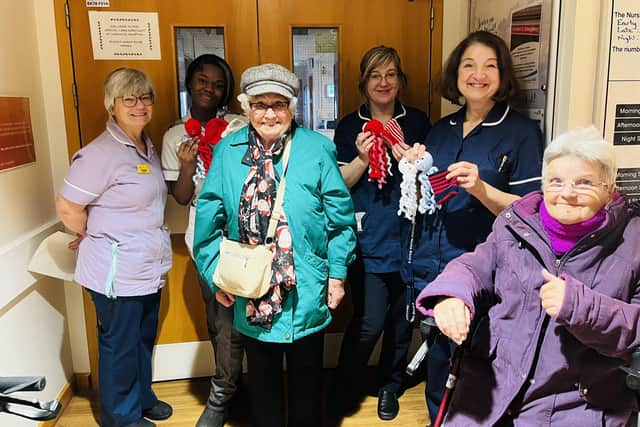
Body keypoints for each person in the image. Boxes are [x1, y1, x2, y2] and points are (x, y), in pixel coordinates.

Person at [416, 126, 640, 426]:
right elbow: (475, 265)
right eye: (556, 181)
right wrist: (451, 295)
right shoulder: (518, 222)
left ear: (609, 188)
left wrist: (580, 306)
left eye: (584, 183)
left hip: (578, 405)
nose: (567, 193)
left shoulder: (633, 240)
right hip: (492, 389)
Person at [193, 63, 356, 427]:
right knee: (263, 391)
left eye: (278, 104)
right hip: (250, 288)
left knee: (307, 389)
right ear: (246, 107)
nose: (269, 113)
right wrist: (215, 275)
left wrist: (337, 275)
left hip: (306, 289)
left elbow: (340, 220)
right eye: (260, 104)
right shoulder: (227, 151)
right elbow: (207, 223)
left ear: (292, 107)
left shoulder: (316, 149)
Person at [404, 30, 544, 424]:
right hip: (436, 264)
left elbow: (531, 210)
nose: (478, 74)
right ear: (456, 74)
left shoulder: (521, 133)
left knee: (476, 370)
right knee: (437, 360)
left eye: (489, 66)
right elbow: (427, 195)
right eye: (469, 65)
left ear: (502, 75)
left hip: (490, 271)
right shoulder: (441, 128)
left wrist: (482, 188)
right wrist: (415, 164)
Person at [56, 68, 172, 427]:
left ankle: (141, 398)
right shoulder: (99, 154)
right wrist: (93, 233)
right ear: (112, 105)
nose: (140, 105)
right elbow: (67, 208)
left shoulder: (146, 147)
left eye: (146, 97)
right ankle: (120, 417)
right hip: (115, 272)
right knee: (119, 344)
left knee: (141, 339)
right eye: (129, 98)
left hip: (147, 268)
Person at [332, 45, 431, 421]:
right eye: (375, 75)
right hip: (369, 234)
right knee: (369, 319)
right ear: (363, 82)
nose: (383, 82)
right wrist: (361, 157)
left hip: (410, 237)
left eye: (390, 74)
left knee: (402, 319)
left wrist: (413, 159)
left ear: (400, 80)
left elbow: (431, 179)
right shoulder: (349, 126)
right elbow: (339, 184)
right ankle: (345, 385)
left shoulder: (418, 122)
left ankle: (390, 385)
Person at [161, 54, 247, 427]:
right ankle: (229, 389)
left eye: (218, 83)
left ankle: (225, 393)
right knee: (218, 320)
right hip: (206, 238)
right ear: (189, 84)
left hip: (247, 233)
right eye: (202, 80)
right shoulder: (174, 134)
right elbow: (181, 197)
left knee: (247, 317)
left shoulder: (240, 125)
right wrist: (185, 165)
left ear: (227, 90)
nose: (209, 89)